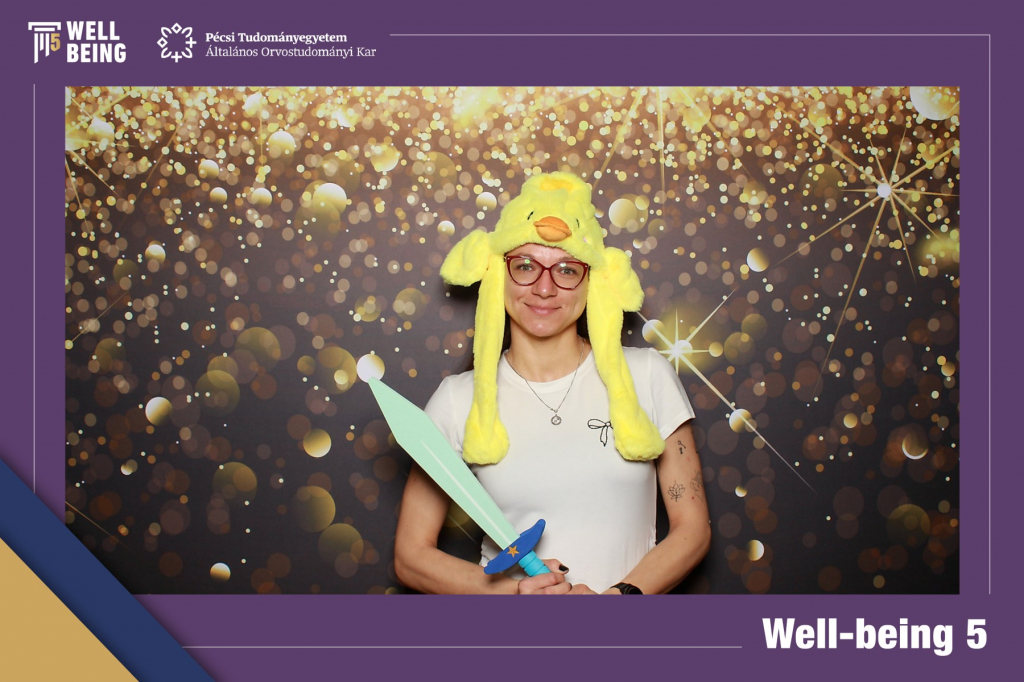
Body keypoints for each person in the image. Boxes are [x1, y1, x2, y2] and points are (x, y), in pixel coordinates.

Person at [394, 172, 710, 594]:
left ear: (592, 279)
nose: (544, 288)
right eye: (525, 265)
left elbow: (692, 529)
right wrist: (513, 595)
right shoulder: (457, 400)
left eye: (566, 269)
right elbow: (411, 556)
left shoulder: (647, 375)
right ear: (498, 272)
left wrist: (618, 600)